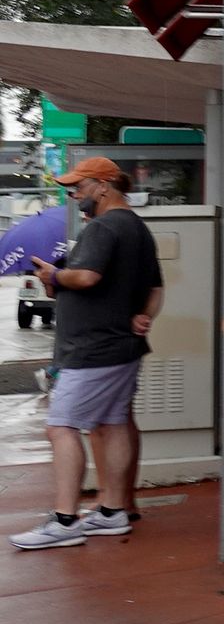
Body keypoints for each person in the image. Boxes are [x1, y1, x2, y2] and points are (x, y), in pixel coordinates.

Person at [9, 158, 163, 550]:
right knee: (111, 424)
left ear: (104, 186)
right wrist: (143, 314)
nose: (72, 195)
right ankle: (112, 511)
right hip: (117, 346)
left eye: (78, 187)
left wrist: (53, 276)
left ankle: (64, 520)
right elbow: (155, 287)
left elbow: (88, 276)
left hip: (94, 348)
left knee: (60, 427)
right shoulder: (137, 228)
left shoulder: (105, 226)